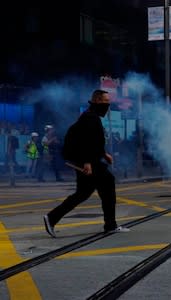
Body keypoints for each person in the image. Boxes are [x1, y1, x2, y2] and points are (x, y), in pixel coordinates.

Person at [43, 89, 130, 238]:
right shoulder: (90, 118)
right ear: (96, 101)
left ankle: (52, 217)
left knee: (82, 193)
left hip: (89, 160)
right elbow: (86, 142)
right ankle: (110, 225)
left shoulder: (90, 116)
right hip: (89, 162)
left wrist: (104, 154)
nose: (108, 105)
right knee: (108, 184)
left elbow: (95, 141)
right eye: (105, 102)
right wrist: (87, 162)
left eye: (108, 102)